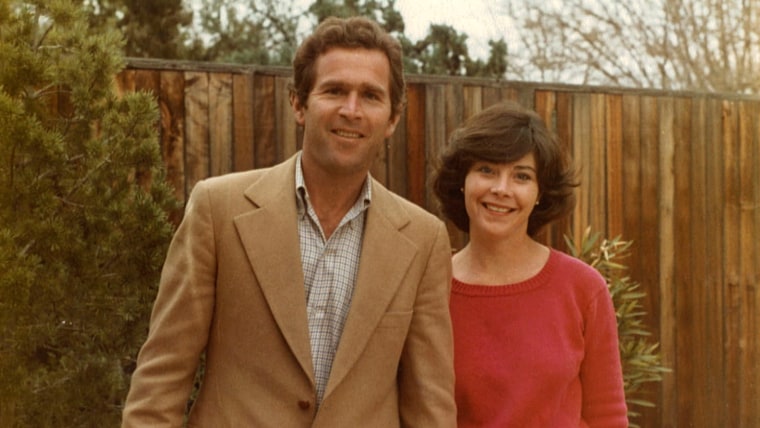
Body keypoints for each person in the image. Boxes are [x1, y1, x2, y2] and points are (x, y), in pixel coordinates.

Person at [122, 16, 457, 427]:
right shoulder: (219, 210)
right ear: (298, 104)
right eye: (334, 91)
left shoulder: (423, 240)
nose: (351, 110)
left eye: (370, 96)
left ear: (392, 119)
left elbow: (430, 407)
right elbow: (161, 381)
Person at [432, 101, 628, 427]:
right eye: (486, 170)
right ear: (462, 181)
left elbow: (607, 416)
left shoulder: (582, 288)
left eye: (521, 176)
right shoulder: (430, 288)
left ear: (540, 193)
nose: (501, 189)